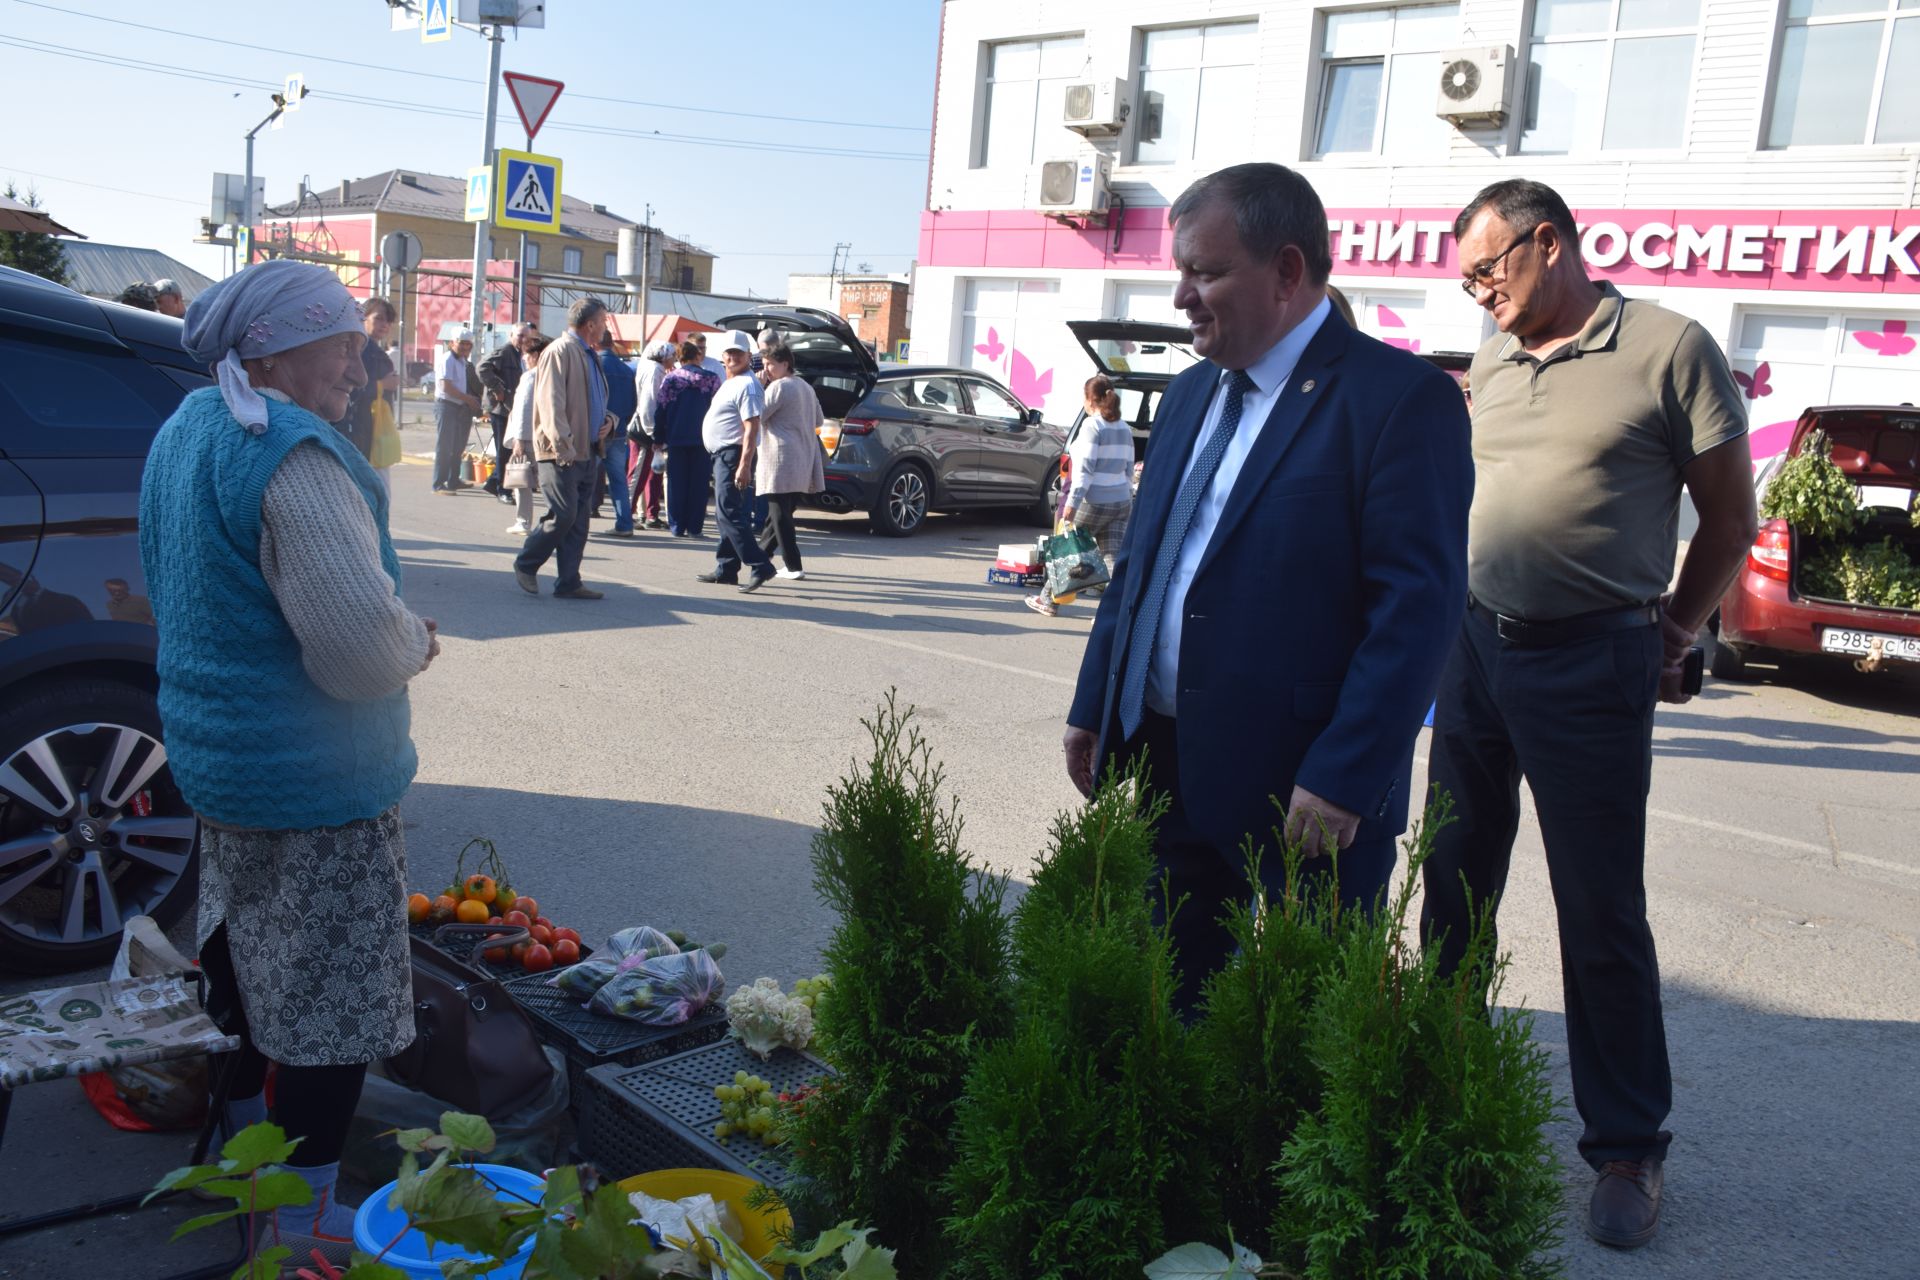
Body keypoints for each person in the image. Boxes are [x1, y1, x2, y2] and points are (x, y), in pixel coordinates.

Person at [1421, 178, 1757, 1252]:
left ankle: (1626, 1144)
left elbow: (1731, 513)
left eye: (1489, 269)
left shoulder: (1671, 349)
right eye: (1466, 279)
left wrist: (1675, 627)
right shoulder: (1491, 356)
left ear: (1549, 243)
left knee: (1599, 906)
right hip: (1475, 645)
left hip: (1594, 657)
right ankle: (1436, 1077)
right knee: (1454, 873)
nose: (1479, 294)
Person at [1060, 162, 1472, 1018]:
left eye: (1205, 273)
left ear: (1287, 272)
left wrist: (1347, 774)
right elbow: (1142, 564)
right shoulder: (1185, 396)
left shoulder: (1401, 402)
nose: (1182, 297)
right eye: (1180, 271)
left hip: (1308, 794)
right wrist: (1097, 698)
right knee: (1173, 1001)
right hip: (1169, 759)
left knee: (1297, 1034)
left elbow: (1417, 612)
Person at [138, 260, 439, 1266]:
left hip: (224, 763)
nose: (360, 361)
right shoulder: (291, 457)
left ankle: (241, 1160)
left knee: (238, 957)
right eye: (340, 341)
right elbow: (357, 652)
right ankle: (300, 1221)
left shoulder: (188, 430)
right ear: (271, 350)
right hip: (317, 783)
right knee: (328, 1012)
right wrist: (415, 642)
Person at [513, 297, 614, 599]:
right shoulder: (560, 351)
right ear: (590, 324)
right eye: (604, 320)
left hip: (587, 448)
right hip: (562, 451)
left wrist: (610, 421)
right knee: (564, 514)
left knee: (579, 521)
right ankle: (526, 563)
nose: (606, 326)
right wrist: (562, 444)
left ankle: (569, 581)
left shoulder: (588, 354)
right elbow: (550, 403)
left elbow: (594, 399)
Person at [1027, 374, 1135, 618]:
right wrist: (1126, 496)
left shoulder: (1092, 426)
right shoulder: (1125, 428)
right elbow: (1129, 469)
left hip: (1094, 500)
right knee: (1114, 559)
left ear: (1090, 400)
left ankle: (1047, 600)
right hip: (1121, 502)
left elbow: (1084, 471)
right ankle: (1116, 610)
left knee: (1070, 551)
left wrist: (1072, 504)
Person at [696, 329, 777, 592]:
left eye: (738, 353)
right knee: (727, 514)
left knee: (729, 513)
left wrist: (744, 464)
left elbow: (751, 427)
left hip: (733, 454)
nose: (732, 357)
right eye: (729, 352)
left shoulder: (747, 385)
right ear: (722, 355)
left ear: (748, 355)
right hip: (724, 454)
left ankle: (760, 564)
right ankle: (727, 568)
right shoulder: (732, 381)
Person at [754, 341, 825, 579]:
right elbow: (819, 420)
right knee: (780, 512)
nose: (766, 370)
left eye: (770, 364)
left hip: (779, 457)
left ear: (785, 364)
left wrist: (759, 385)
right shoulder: (806, 386)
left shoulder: (778, 387)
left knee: (779, 513)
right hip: (803, 457)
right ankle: (761, 557)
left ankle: (793, 565)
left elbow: (757, 415)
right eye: (764, 365)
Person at [655, 338, 721, 537]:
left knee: (676, 483)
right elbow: (719, 409)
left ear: (679, 357)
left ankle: (677, 526)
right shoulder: (712, 379)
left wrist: (658, 438)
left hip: (676, 438)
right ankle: (695, 527)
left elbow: (660, 410)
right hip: (703, 440)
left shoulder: (671, 379)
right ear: (697, 356)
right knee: (699, 485)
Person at [479, 323, 537, 503]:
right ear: (511, 335)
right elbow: (482, 368)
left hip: (513, 409)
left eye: (526, 336)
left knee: (507, 449)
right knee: (505, 450)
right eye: (519, 335)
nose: (523, 340)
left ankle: (493, 482)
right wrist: (497, 389)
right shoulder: (505, 351)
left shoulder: (520, 355)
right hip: (501, 409)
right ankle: (502, 490)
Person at [337, 297, 397, 465]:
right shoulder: (359, 349)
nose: (384, 325)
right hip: (356, 427)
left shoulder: (374, 349)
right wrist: (382, 385)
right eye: (378, 318)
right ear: (363, 317)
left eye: (388, 321)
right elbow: (350, 387)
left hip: (372, 427)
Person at [503, 333, 551, 535]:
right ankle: (554, 518)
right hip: (543, 436)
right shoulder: (549, 375)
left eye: (527, 354)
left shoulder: (530, 376)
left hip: (527, 437)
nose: (524, 358)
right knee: (546, 480)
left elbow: (524, 408)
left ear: (536, 355)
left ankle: (523, 522)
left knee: (521, 478)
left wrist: (519, 440)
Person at [595, 327, 638, 537]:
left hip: (596, 431)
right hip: (619, 431)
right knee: (618, 480)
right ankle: (624, 523)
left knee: (585, 478)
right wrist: (620, 422)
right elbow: (632, 404)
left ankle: (577, 524)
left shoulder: (594, 365)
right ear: (612, 344)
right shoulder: (626, 370)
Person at [629, 340, 676, 530]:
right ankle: (626, 513)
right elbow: (649, 403)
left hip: (644, 426)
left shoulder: (648, 366)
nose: (673, 360)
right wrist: (653, 433)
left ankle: (638, 513)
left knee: (645, 473)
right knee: (637, 474)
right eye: (672, 356)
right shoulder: (654, 370)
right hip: (645, 430)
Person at [432, 331, 482, 493]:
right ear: (453, 342)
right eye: (462, 343)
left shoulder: (462, 362)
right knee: (445, 446)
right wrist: (468, 399)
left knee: (458, 446)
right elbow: (445, 386)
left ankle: (454, 480)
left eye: (468, 344)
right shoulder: (447, 359)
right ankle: (439, 483)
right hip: (446, 405)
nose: (465, 347)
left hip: (460, 407)